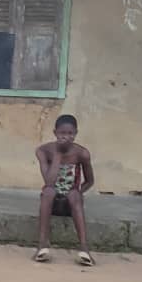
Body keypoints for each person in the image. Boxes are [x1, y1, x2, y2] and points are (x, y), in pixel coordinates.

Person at [34, 114, 95, 266]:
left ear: (75, 134)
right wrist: (58, 156)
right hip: (52, 201)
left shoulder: (82, 154)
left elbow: (90, 181)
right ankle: (42, 245)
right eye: (62, 133)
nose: (66, 137)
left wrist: (78, 194)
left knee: (74, 194)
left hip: (71, 203)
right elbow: (49, 181)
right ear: (55, 133)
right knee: (48, 192)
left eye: (70, 133)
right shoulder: (43, 151)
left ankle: (84, 248)